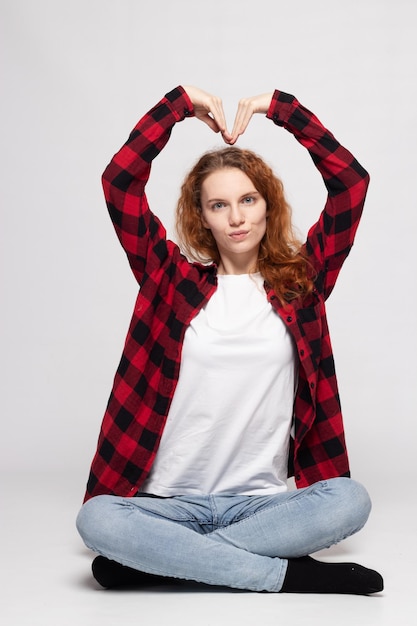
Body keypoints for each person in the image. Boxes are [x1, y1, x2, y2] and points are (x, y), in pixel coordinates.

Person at [76, 85, 383, 595]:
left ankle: (162, 563)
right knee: (97, 520)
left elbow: (351, 183)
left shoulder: (301, 282)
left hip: (259, 503)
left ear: (268, 204)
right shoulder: (169, 279)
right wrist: (175, 106)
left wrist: (285, 112)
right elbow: (119, 183)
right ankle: (282, 575)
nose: (237, 217)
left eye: (248, 199)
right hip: (165, 504)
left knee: (351, 500)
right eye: (219, 205)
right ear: (203, 216)